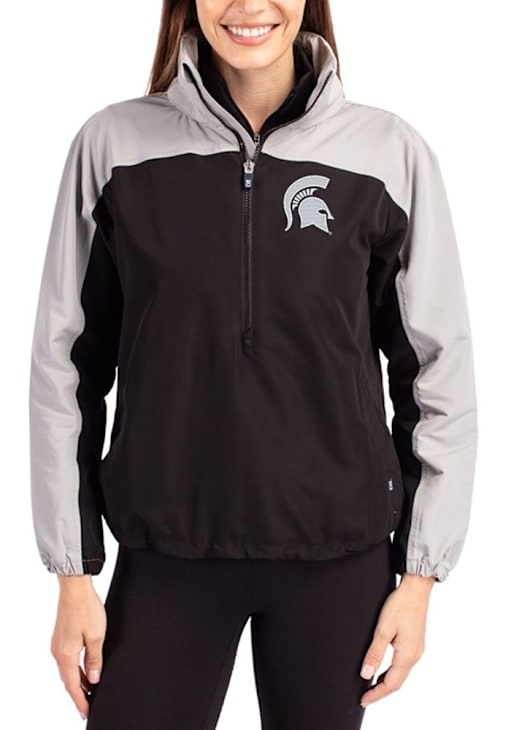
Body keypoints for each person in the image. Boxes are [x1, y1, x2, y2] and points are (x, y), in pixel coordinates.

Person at [28, 1, 478, 728]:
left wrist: (421, 576)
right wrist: (71, 575)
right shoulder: (113, 146)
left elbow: (436, 372)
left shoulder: (389, 153)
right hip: (166, 554)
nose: (247, 5)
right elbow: (65, 364)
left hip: (338, 563)